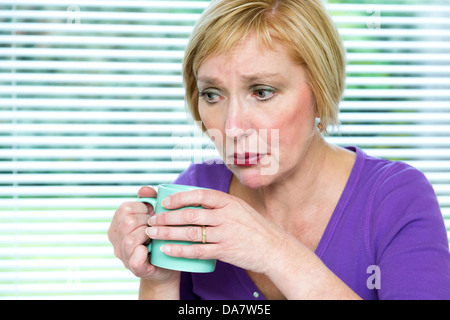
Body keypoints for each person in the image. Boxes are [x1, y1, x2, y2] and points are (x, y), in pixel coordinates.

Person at [107, 0, 450, 300]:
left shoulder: (395, 199)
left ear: (320, 90)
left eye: (262, 91)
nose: (232, 128)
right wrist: (159, 281)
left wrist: (273, 249)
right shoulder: (196, 192)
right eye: (212, 94)